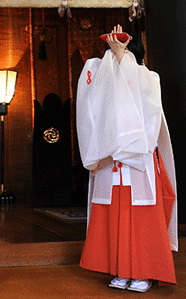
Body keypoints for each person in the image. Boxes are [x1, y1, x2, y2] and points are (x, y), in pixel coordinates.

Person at [76, 25, 178, 293]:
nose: (113, 58)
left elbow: (139, 102)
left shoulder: (148, 76)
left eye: (119, 52)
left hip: (137, 161)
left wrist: (122, 53)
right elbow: (94, 110)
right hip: (112, 161)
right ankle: (120, 270)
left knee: (141, 220)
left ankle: (143, 273)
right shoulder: (105, 77)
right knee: (113, 218)